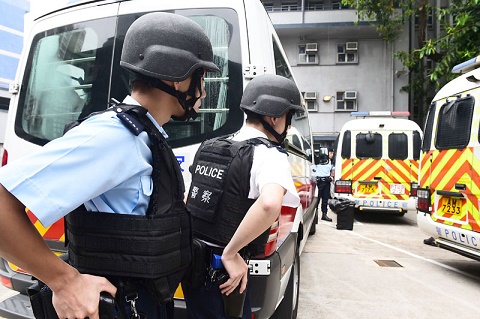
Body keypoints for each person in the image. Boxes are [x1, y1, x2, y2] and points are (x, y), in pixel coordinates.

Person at [0, 12, 219, 319]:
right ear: (178, 77)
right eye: (202, 77)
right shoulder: (116, 136)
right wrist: (64, 283)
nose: (205, 91)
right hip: (120, 305)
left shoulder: (147, 135)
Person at [183, 74, 301, 319]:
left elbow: (189, 201)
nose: (288, 127)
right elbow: (270, 204)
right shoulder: (269, 154)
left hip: (191, 265)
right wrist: (231, 253)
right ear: (275, 117)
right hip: (222, 272)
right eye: (288, 118)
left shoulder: (210, 146)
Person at [311, 148, 335, 222]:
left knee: (325, 200)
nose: (332, 155)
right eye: (331, 153)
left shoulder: (330, 162)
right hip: (318, 182)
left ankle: (324, 214)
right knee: (316, 200)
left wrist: (331, 177)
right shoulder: (317, 161)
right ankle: (315, 216)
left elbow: (333, 170)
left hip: (326, 182)